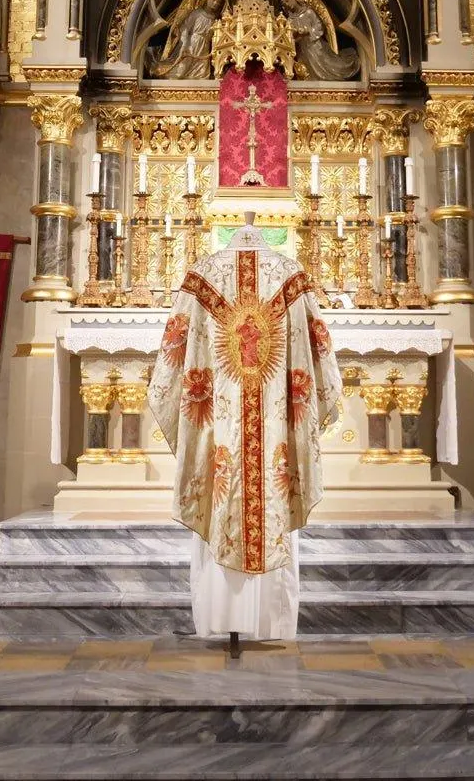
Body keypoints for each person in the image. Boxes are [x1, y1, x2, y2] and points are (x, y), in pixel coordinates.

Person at [147, 213, 342, 646]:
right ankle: (270, 623)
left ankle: (220, 614)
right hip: (275, 429)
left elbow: (171, 360)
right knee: (269, 500)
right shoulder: (291, 277)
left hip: (219, 429)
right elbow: (322, 354)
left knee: (223, 498)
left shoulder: (201, 277)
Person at [150, 0, 223, 79]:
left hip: (205, 47)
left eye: (218, 2)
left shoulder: (215, 19)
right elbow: (185, 28)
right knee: (183, 67)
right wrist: (184, 43)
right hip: (192, 43)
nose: (215, 3)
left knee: (202, 73)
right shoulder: (197, 13)